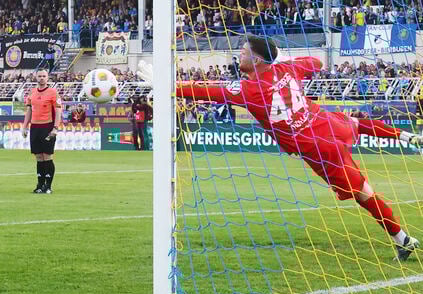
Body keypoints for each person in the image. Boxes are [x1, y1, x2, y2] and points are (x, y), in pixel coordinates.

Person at [141, 34, 423, 261]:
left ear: (258, 58)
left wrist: (166, 84)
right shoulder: (287, 69)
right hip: (323, 122)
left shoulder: (249, 91)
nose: (239, 52)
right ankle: (406, 136)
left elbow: (207, 90)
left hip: (319, 149)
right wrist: (286, 61)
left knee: (364, 193)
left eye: (244, 50)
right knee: (354, 122)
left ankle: (403, 240)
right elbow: (314, 62)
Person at [21, 69, 62, 194]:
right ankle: (40, 184)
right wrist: (24, 126)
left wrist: (55, 128)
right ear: (36, 77)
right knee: (38, 157)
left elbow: (59, 111)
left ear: (47, 78)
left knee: (47, 156)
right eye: (40, 76)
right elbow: (29, 111)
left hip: (47, 127)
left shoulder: (53, 93)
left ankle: (48, 185)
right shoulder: (32, 93)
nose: (42, 78)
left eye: (44, 76)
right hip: (35, 128)